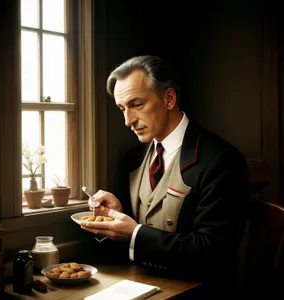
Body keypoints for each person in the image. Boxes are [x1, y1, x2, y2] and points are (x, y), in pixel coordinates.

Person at [80, 55, 250, 297]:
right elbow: (135, 228)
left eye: (137, 104)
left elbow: (213, 251)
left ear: (169, 99)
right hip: (137, 286)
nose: (128, 120)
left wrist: (135, 234)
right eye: (122, 109)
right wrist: (117, 216)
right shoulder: (133, 157)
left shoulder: (222, 160)